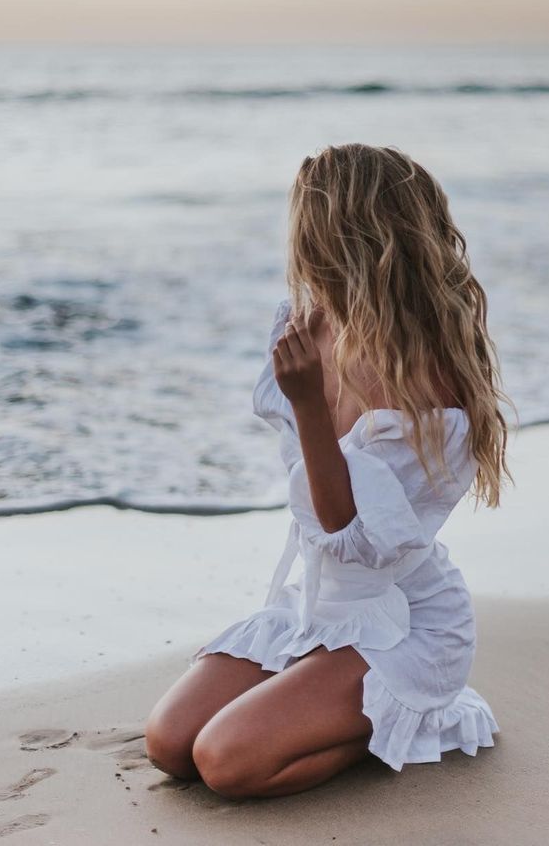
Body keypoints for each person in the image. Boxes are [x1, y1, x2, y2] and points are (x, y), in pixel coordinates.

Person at [145, 143, 513, 799]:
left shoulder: (429, 371)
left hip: (402, 618)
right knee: (172, 746)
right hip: (317, 606)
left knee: (229, 764)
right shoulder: (302, 323)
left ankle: (407, 720)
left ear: (338, 233)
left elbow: (355, 539)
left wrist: (312, 407)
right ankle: (324, 705)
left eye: (304, 223)